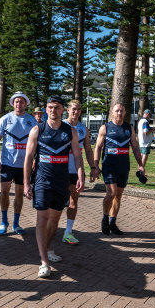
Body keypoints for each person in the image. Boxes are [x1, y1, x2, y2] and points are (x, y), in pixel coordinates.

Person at [24, 96, 84, 278]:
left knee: (55, 220)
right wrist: (27, 182)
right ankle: (44, 261)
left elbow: (77, 155)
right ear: (46, 109)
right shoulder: (37, 130)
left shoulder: (70, 131)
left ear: (62, 110)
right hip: (42, 181)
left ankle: (48, 249)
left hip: (62, 181)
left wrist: (81, 174)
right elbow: (28, 158)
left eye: (56, 107)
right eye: (50, 107)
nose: (53, 110)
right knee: (42, 219)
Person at [92, 103, 144, 236]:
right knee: (111, 193)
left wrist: (141, 164)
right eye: (117, 111)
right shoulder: (105, 128)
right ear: (112, 112)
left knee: (119, 195)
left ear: (125, 112)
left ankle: (112, 222)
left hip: (123, 166)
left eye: (121, 111)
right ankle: (105, 218)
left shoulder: (129, 128)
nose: (119, 113)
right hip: (109, 165)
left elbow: (135, 148)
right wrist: (96, 165)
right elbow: (98, 147)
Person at [0, 91, 37, 235]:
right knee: (4, 190)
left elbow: (37, 142)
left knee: (19, 193)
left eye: (21, 101)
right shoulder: (5, 119)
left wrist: (35, 158)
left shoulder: (31, 121)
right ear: (13, 103)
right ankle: (4, 221)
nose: (19, 104)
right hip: (7, 162)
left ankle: (16, 223)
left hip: (24, 165)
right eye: (16, 101)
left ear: (26, 104)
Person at [62, 100, 96, 245]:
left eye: (78, 109)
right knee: (55, 203)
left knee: (73, 201)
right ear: (68, 110)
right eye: (73, 109)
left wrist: (93, 167)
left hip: (75, 170)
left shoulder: (83, 129)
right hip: (59, 169)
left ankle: (68, 232)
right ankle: (48, 229)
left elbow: (88, 150)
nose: (76, 112)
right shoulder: (61, 126)